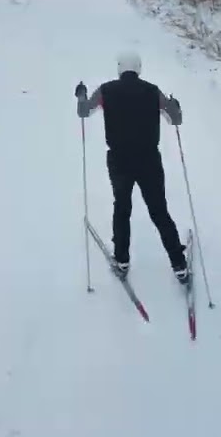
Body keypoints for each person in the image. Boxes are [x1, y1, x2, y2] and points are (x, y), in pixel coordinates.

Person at [75, 50, 189, 285]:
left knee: (122, 207)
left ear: (119, 68)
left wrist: (81, 95)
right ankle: (179, 264)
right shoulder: (152, 90)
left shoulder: (106, 90)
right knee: (159, 211)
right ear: (139, 68)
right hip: (149, 160)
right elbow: (175, 119)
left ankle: (122, 260)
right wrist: (175, 105)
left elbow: (84, 111)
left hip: (119, 160)